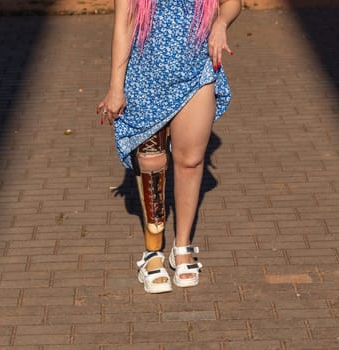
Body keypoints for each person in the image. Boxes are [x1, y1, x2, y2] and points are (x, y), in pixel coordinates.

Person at [97, 0, 241, 294]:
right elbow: (123, 23)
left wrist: (220, 23)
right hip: (144, 76)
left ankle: (183, 246)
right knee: (151, 163)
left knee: (190, 161)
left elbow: (233, 3)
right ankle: (152, 253)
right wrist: (115, 86)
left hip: (196, 71)